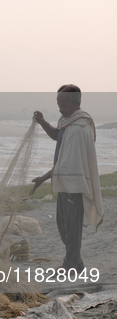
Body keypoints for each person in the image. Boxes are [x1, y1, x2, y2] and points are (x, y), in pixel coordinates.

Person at [30, 85, 103, 273]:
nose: (60, 109)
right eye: (58, 104)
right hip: (64, 182)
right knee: (63, 225)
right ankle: (76, 263)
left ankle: (70, 265)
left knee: (72, 228)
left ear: (77, 103)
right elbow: (58, 136)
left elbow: (70, 162)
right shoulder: (68, 121)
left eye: (64, 105)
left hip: (75, 184)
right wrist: (42, 122)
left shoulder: (80, 127)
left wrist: (45, 178)